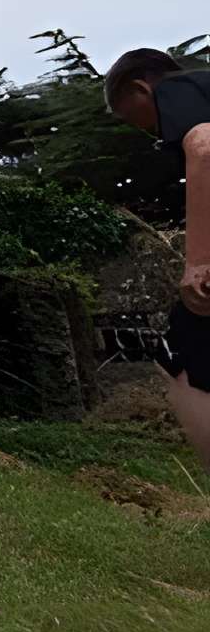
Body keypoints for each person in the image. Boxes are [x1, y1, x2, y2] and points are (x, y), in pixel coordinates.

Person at [104, 48, 210, 462]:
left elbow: (204, 148)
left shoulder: (178, 91)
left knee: (182, 348)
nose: (143, 130)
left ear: (140, 89)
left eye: (131, 117)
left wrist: (198, 263)